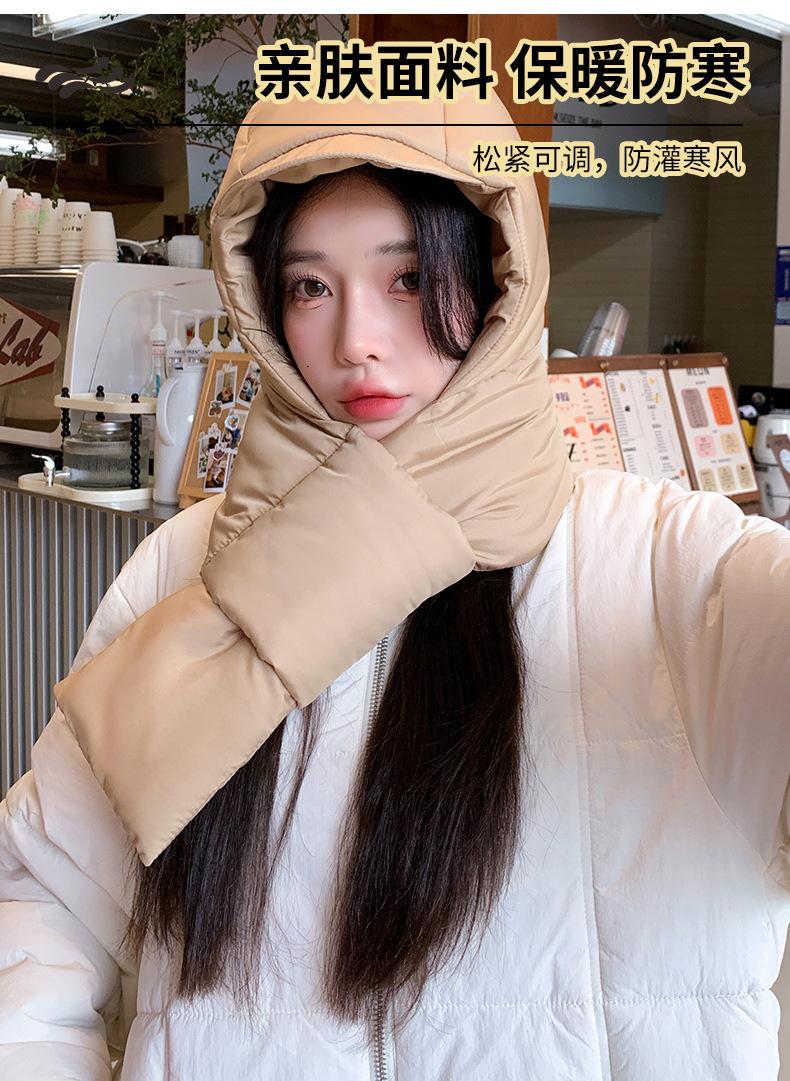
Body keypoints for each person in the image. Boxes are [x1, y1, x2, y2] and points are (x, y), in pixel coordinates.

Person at [1, 87, 789, 1081]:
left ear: (500, 279)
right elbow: (42, 896)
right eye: (309, 286)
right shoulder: (186, 566)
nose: (356, 340)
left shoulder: (664, 562)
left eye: (410, 277)